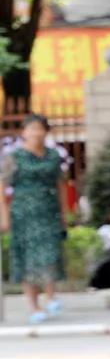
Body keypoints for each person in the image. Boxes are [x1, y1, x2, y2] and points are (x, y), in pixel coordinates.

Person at [0, 113, 71, 323]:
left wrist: (65, 214)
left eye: (39, 128)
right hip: (23, 212)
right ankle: (33, 306)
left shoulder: (53, 155)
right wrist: (4, 217)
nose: (35, 133)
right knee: (28, 258)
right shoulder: (14, 157)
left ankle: (51, 295)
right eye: (31, 128)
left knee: (50, 252)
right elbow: (2, 187)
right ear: (23, 132)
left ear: (46, 132)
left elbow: (61, 185)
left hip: (49, 210)